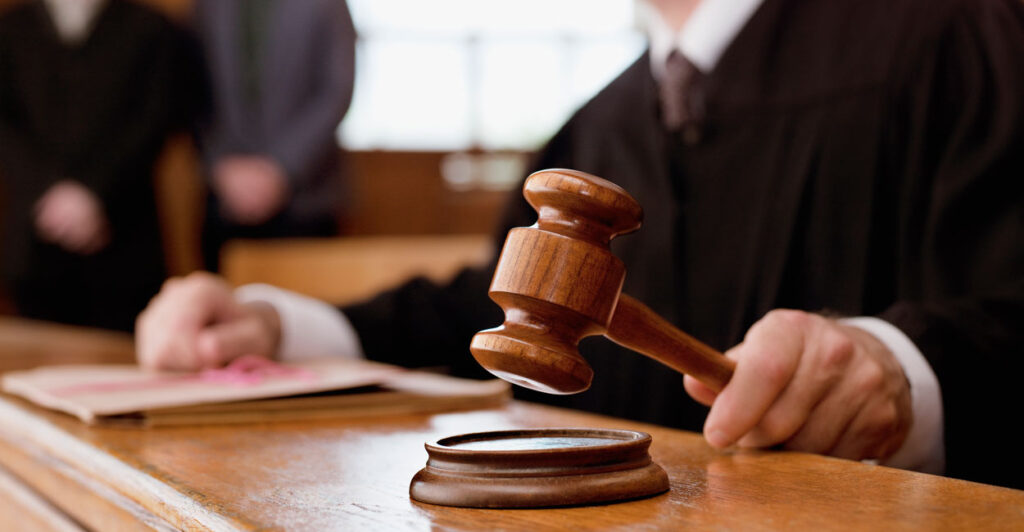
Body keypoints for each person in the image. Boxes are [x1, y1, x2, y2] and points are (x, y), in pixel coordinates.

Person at [136, 0, 1024, 489]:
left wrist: (906, 371)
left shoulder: (958, 38)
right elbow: (498, 309)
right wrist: (274, 326)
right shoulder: (596, 125)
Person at [0, 0, 201, 331]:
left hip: (125, 237)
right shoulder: (11, 28)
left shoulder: (151, 28)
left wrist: (92, 190)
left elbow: (156, 117)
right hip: (36, 237)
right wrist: (49, 190)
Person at [193, 0, 356, 271]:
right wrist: (221, 164)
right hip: (226, 194)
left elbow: (335, 91)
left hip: (305, 198)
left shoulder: (327, 5)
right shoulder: (207, 6)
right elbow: (192, 88)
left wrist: (279, 169)